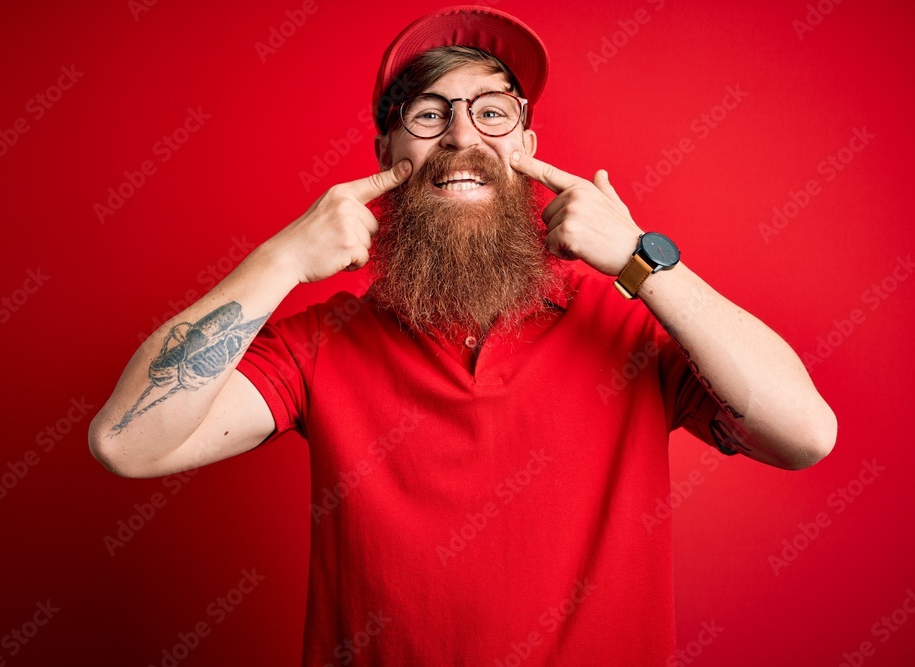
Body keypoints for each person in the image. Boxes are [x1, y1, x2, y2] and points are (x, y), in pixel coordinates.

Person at [89, 6, 836, 664]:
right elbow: (127, 441)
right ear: (387, 155)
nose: (460, 136)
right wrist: (281, 258)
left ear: (527, 144)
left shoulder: (627, 324)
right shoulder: (324, 343)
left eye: (491, 112)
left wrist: (644, 261)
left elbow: (805, 433)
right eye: (427, 113)